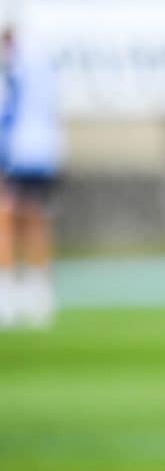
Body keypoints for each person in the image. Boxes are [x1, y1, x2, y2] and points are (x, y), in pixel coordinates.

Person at [0, 20, 64, 329]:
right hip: (43, 152)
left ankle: (15, 291)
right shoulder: (41, 64)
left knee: (12, 220)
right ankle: (36, 292)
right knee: (32, 220)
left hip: (19, 152)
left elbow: (9, 113)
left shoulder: (17, 68)